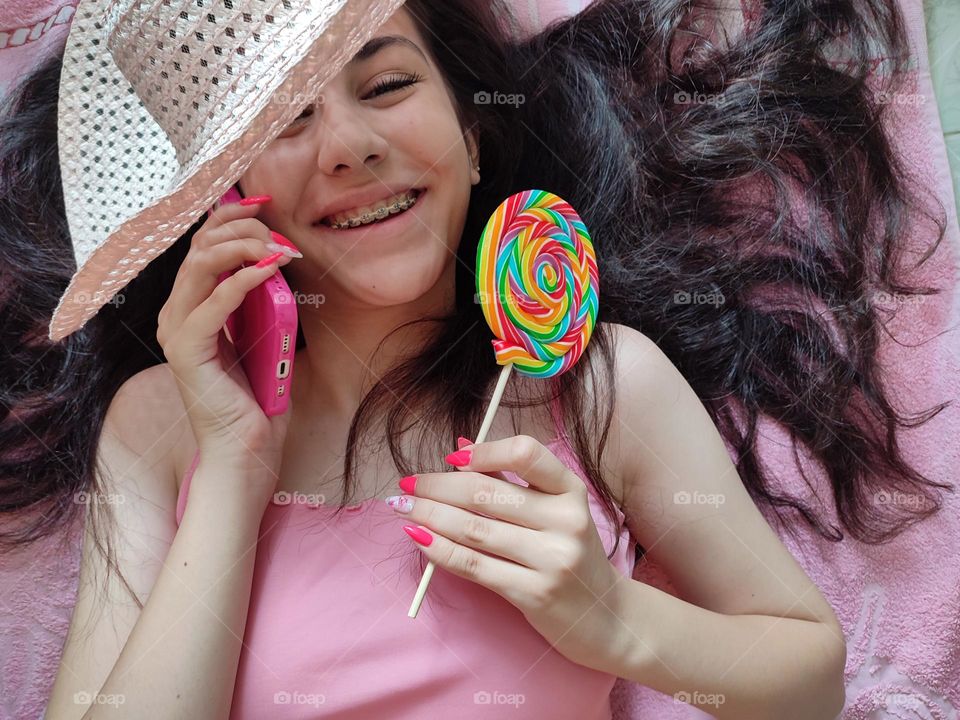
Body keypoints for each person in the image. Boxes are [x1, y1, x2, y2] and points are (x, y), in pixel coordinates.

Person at [0, 0, 946, 718]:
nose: (350, 148)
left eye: (386, 85)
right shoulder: (156, 426)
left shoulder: (593, 381)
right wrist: (233, 472)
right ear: (231, 194)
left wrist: (611, 620)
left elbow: (808, 678)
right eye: (282, 121)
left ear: (474, 129)